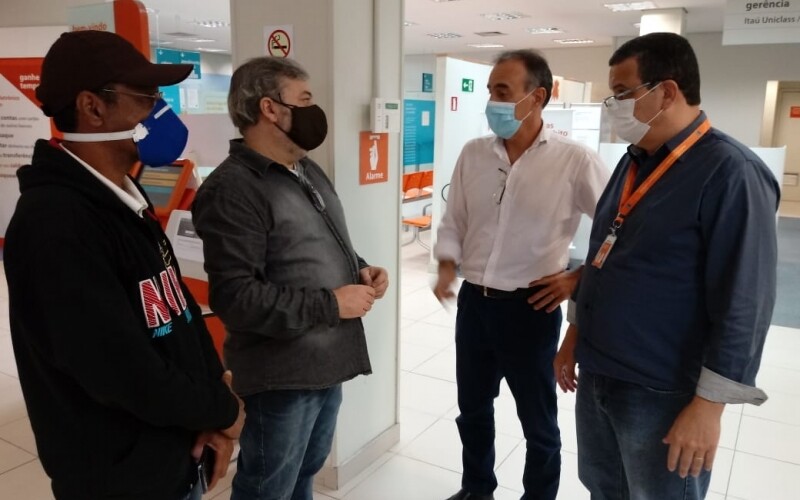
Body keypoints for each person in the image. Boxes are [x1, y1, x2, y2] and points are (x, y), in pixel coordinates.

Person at [3, 30, 244, 500]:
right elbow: (123, 372)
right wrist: (224, 411)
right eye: (146, 98)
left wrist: (212, 405)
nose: (160, 112)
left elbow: (178, 312)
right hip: (122, 480)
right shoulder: (54, 224)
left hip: (174, 456)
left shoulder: (124, 196)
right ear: (92, 107)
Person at [553, 32, 779, 500]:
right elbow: (602, 255)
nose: (612, 106)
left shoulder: (731, 173)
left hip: (662, 391)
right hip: (599, 371)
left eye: (622, 93)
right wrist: (574, 334)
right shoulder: (635, 161)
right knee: (603, 488)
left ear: (667, 91)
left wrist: (709, 407)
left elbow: (745, 301)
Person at [191, 56, 388, 500]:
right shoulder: (233, 189)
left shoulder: (305, 169)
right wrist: (332, 303)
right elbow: (236, 297)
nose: (313, 110)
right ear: (270, 108)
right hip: (280, 379)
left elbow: (313, 244)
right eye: (305, 99)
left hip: (325, 366)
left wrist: (359, 266)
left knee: (303, 474)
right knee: (268, 488)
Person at [433, 49, 610, 500]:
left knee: (537, 423)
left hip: (531, 308)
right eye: (491, 91)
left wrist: (577, 278)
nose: (492, 101)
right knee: (473, 409)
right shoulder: (474, 154)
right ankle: (477, 488)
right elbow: (454, 220)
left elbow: (620, 231)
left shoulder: (575, 161)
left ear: (537, 97)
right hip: (475, 304)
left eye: (502, 91)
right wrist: (447, 264)